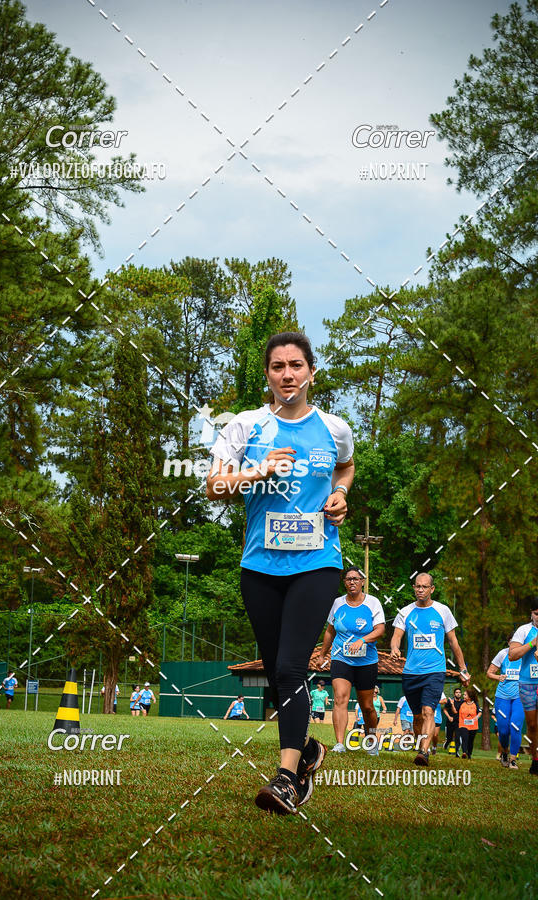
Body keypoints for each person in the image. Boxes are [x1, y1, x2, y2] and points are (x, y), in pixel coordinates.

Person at [207, 331, 355, 814]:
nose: (287, 374)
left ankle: (288, 779)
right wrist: (258, 472)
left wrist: (340, 495)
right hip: (260, 567)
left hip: (317, 563)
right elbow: (214, 486)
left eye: (296, 365)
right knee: (276, 672)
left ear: (311, 372)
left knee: (291, 667)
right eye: (277, 366)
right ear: (267, 375)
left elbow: (346, 467)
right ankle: (308, 748)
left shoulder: (334, 428)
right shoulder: (245, 426)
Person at [390, 572, 469, 766]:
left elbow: (453, 641)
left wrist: (463, 669)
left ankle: (424, 752)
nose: (420, 590)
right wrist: (394, 648)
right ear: (414, 588)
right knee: (417, 716)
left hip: (434, 671)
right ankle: (421, 746)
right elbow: (397, 636)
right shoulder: (405, 612)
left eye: (424, 586)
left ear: (432, 589)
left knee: (428, 711)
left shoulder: (443, 611)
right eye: (417, 586)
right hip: (411, 672)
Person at [320, 567, 385, 755]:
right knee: (340, 698)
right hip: (341, 658)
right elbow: (330, 631)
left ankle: (371, 741)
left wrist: (362, 640)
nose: (352, 582)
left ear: (362, 581)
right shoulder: (337, 603)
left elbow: (380, 630)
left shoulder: (373, 603)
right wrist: (323, 654)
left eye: (356, 579)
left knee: (367, 706)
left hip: (366, 661)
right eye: (348, 579)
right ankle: (340, 743)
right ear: (344, 582)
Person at [508, 598, 538, 776]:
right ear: (531, 614)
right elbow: (512, 655)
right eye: (536, 614)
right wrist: (532, 643)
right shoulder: (524, 630)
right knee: (532, 725)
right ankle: (535, 759)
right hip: (527, 684)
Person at [487, 635, 524, 768]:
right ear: (509, 643)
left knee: (515, 726)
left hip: (520, 696)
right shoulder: (502, 654)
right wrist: (498, 677)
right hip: (502, 696)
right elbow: (489, 673)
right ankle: (504, 752)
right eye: (514, 642)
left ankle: (513, 759)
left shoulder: (527, 655)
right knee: (503, 730)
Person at [458, 688, 479, 759]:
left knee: (470, 741)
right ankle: (464, 752)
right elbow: (455, 710)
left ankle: (469, 754)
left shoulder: (475, 704)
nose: (463, 696)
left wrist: (476, 717)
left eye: (465, 695)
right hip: (463, 724)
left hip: (473, 726)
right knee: (465, 738)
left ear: (469, 696)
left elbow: (479, 712)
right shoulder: (461, 703)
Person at [443, 687, 463, 756]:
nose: (458, 694)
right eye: (457, 692)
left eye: (459, 692)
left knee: (457, 737)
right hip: (450, 721)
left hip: (458, 722)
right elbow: (445, 710)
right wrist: (449, 717)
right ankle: (446, 743)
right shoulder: (450, 701)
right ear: (454, 694)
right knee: (449, 738)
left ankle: (457, 752)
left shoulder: (463, 702)